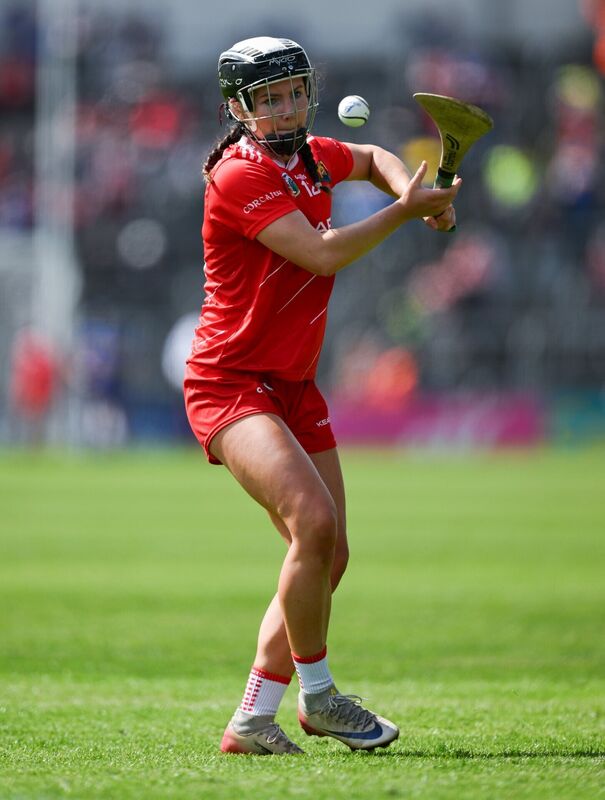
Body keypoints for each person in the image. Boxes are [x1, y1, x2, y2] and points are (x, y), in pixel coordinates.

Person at [184, 36, 460, 756]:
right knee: (311, 520)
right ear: (238, 110)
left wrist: (406, 189)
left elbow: (369, 160)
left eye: (293, 92)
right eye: (266, 99)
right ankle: (319, 696)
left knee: (326, 553)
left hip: (294, 384)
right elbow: (323, 251)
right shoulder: (237, 176)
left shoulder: (307, 155)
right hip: (230, 381)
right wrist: (407, 215)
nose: (284, 108)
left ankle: (250, 720)